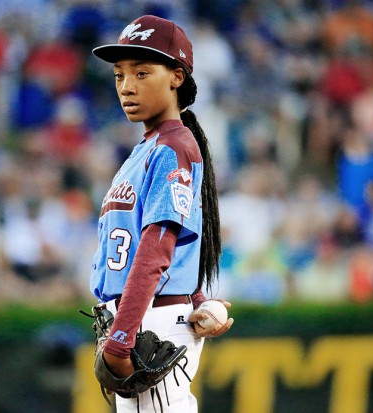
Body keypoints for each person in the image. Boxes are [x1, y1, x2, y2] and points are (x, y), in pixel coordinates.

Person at [89, 15, 233, 412]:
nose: (127, 86)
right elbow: (177, 244)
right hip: (142, 315)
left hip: (149, 321)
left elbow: (157, 247)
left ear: (176, 77)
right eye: (119, 75)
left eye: (141, 73)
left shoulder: (173, 146)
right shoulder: (148, 148)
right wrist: (199, 298)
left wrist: (122, 337)